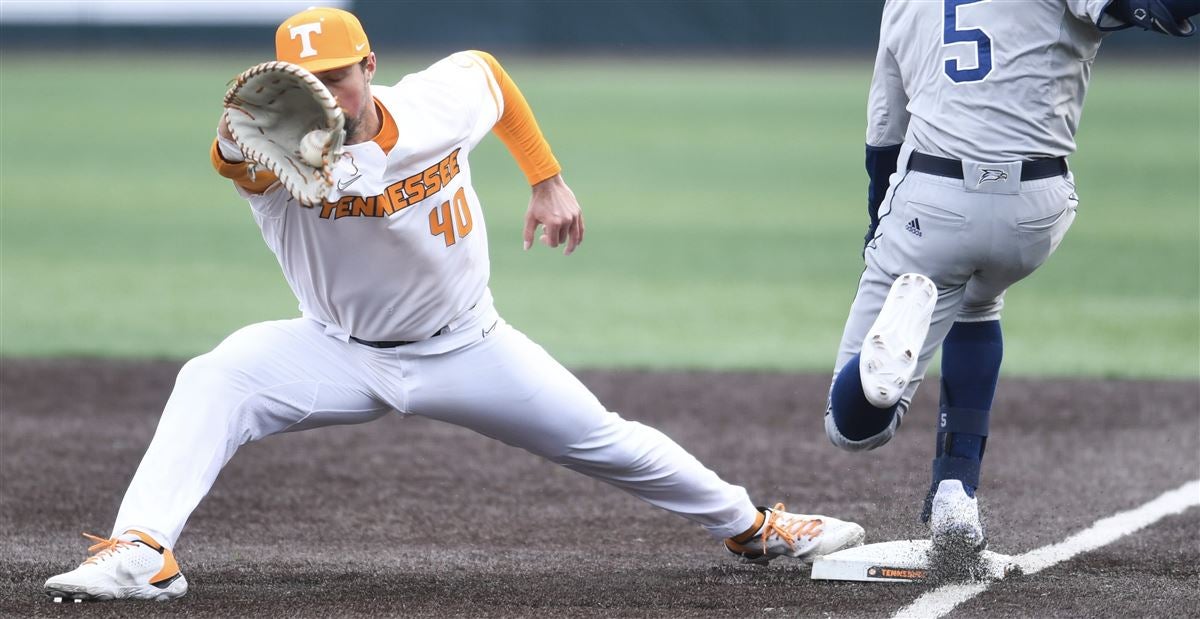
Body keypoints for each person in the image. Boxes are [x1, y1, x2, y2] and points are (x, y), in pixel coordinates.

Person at [43, 7, 864, 602]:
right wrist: (237, 145)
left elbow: (490, 74)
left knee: (609, 440)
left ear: (370, 66)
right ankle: (144, 551)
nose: (328, 96)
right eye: (308, 83)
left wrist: (546, 179)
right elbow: (233, 160)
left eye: (339, 76)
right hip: (337, 351)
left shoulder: (435, 104)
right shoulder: (271, 152)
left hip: (468, 345)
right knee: (215, 378)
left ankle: (754, 525)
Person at [823, 0, 1197, 552]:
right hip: (1036, 210)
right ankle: (956, 491)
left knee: (851, 427)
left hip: (933, 202)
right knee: (978, 299)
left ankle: (880, 373)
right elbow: (1137, 8)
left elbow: (885, 135)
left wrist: (883, 232)